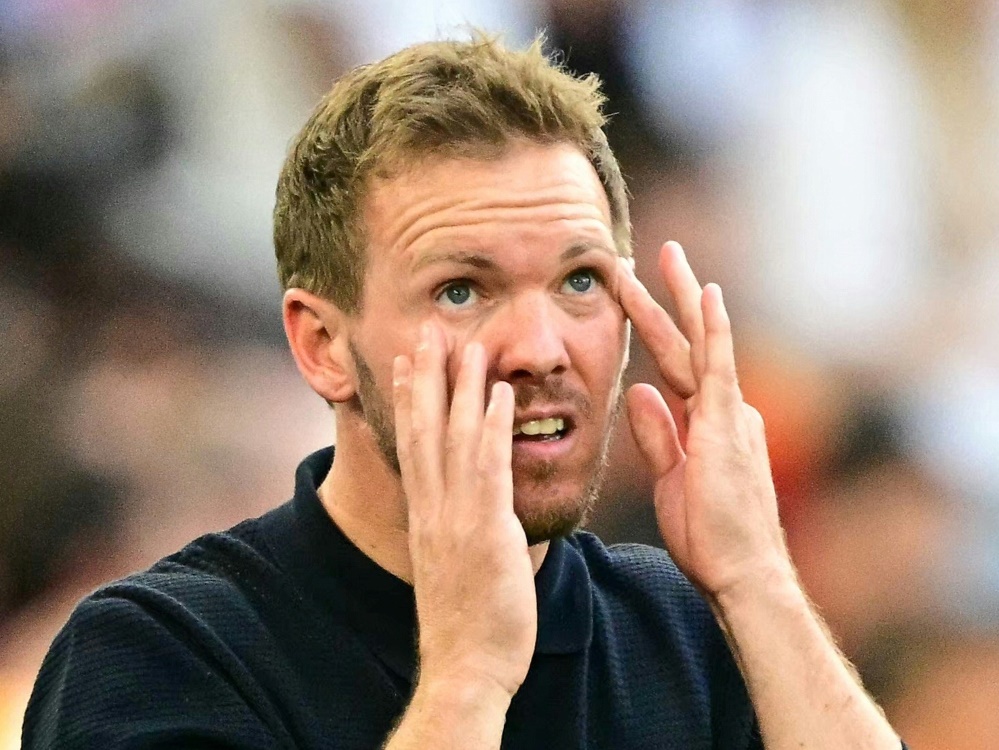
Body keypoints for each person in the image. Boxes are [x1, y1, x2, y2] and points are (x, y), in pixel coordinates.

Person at [22, 34, 906, 749]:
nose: (538, 348)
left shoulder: (689, 628)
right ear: (322, 345)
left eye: (580, 281)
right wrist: (468, 676)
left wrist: (755, 580)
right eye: (461, 290)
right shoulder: (157, 654)